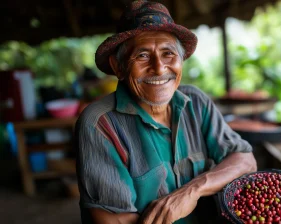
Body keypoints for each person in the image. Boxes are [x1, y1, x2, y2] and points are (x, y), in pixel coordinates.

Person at [75, 1, 257, 223]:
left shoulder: (196, 102)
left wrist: (192, 190)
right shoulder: (100, 123)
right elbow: (110, 219)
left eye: (168, 53)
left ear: (181, 61)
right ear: (118, 66)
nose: (159, 68)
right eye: (142, 55)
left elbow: (245, 160)